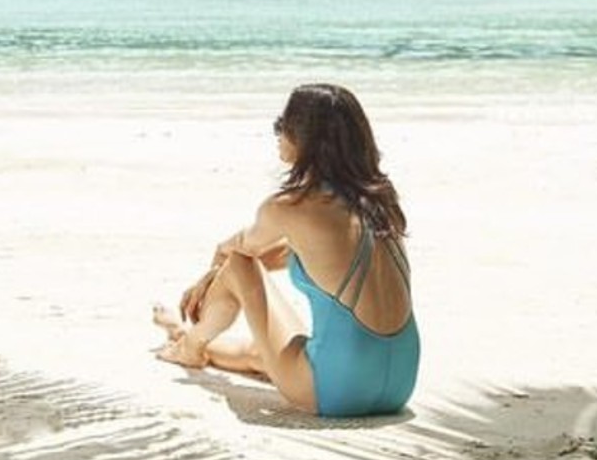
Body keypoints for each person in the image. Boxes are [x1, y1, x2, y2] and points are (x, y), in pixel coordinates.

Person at [153, 83, 419, 417]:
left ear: (304, 138)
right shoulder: (381, 200)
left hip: (337, 391)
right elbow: (289, 254)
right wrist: (214, 275)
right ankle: (183, 335)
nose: (278, 134)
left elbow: (236, 254)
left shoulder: (289, 208)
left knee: (238, 265)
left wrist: (212, 273)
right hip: (399, 385)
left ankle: (190, 348)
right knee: (257, 354)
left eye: (282, 124)